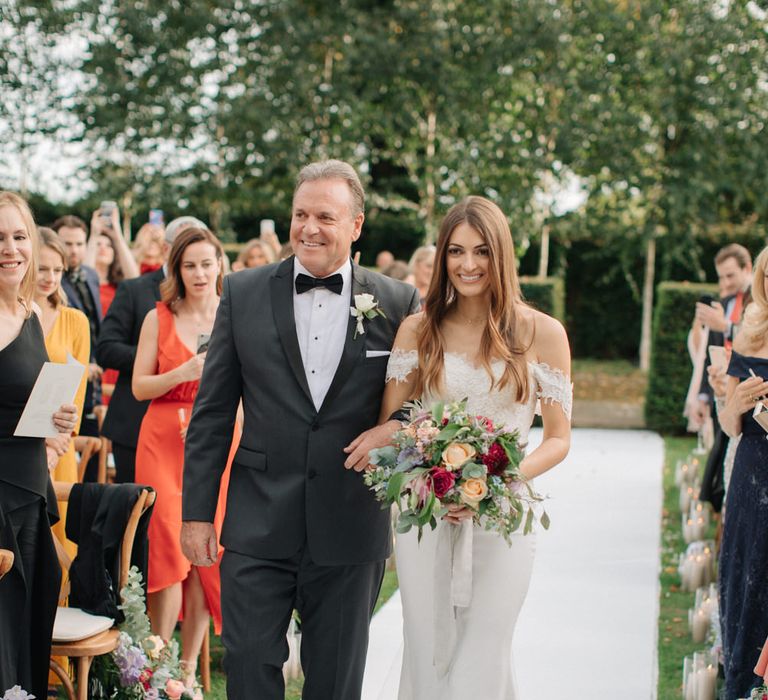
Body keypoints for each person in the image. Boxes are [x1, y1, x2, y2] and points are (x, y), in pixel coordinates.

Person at [181, 159, 420, 700]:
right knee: (245, 670)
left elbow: (425, 399)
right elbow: (213, 413)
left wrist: (395, 429)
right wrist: (197, 513)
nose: (308, 228)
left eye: (325, 217)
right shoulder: (240, 293)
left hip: (349, 523)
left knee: (335, 683)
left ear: (356, 226)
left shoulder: (399, 302)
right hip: (257, 520)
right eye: (300, 214)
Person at [374, 196, 572, 699]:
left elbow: (558, 438)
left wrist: (497, 483)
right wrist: (430, 475)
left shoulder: (543, 333)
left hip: (503, 514)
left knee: (484, 649)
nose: (467, 265)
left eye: (481, 251)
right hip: (427, 514)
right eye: (456, 251)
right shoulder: (418, 330)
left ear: (500, 256)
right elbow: (392, 427)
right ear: (442, 257)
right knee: (427, 645)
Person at [132, 225, 234, 682]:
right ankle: (158, 664)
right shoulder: (159, 316)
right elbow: (138, 387)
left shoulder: (233, 315)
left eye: (206, 264)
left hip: (216, 441)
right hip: (163, 440)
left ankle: (189, 670)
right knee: (168, 552)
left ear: (219, 267)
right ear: (177, 269)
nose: (198, 273)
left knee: (204, 553)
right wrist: (183, 373)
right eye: (189, 265)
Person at [0, 191, 79, 699]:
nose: (10, 248)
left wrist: (56, 419)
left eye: (19, 236)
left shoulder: (29, 311)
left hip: (31, 490)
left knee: (30, 632)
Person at [96, 216, 206, 483]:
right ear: (167, 250)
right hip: (136, 423)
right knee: (138, 519)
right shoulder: (135, 290)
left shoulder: (217, 298)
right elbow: (106, 349)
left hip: (198, 427)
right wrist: (159, 360)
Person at [716, 244, 768, 699]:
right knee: (745, 575)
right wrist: (735, 405)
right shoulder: (750, 341)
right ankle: (740, 684)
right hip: (752, 475)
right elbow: (730, 427)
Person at [34, 228, 90, 558]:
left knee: (61, 545)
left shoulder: (75, 321)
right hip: (16, 442)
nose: (50, 278)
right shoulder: (13, 316)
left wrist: (56, 446)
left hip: (60, 442)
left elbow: (77, 392)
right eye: (43, 268)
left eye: (58, 270)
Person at [693, 244, 752, 513]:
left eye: (730, 276)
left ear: (748, 268)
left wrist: (726, 327)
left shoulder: (756, 301)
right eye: (721, 277)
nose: (725, 283)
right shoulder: (726, 304)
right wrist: (704, 394)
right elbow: (711, 354)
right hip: (723, 393)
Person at [408, 244, 436, 309]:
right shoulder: (402, 287)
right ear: (416, 264)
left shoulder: (438, 295)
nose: (432, 272)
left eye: (436, 268)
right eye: (429, 266)